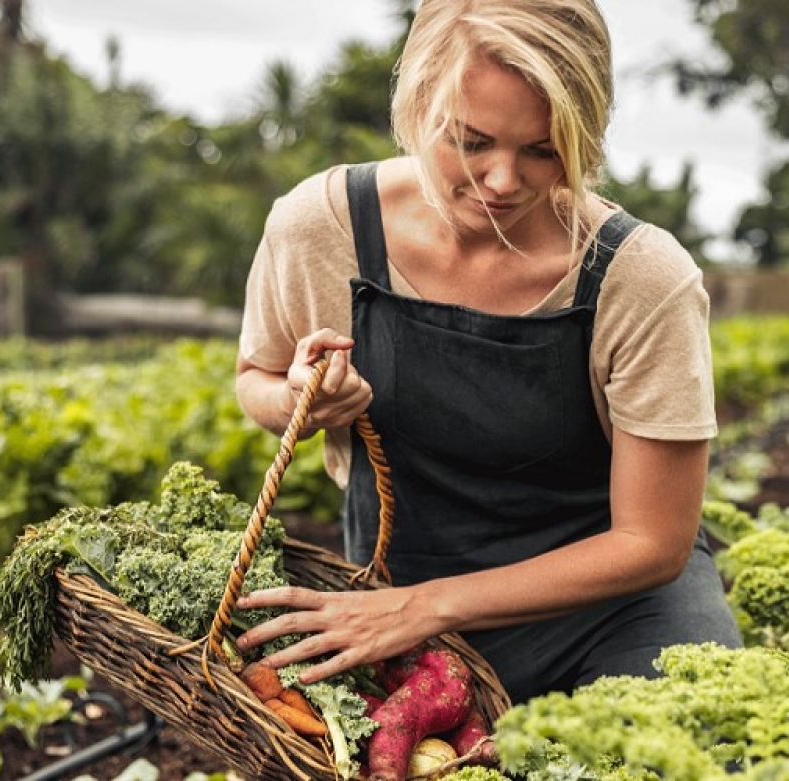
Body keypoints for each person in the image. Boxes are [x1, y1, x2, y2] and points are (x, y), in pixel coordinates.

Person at [232, 0, 743, 705]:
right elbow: (255, 377)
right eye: (470, 141)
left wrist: (430, 606)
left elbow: (651, 541)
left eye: (542, 149)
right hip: (392, 597)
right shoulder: (322, 228)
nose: (502, 180)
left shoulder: (639, 276)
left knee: (684, 727)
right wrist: (300, 399)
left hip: (608, 609)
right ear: (417, 106)